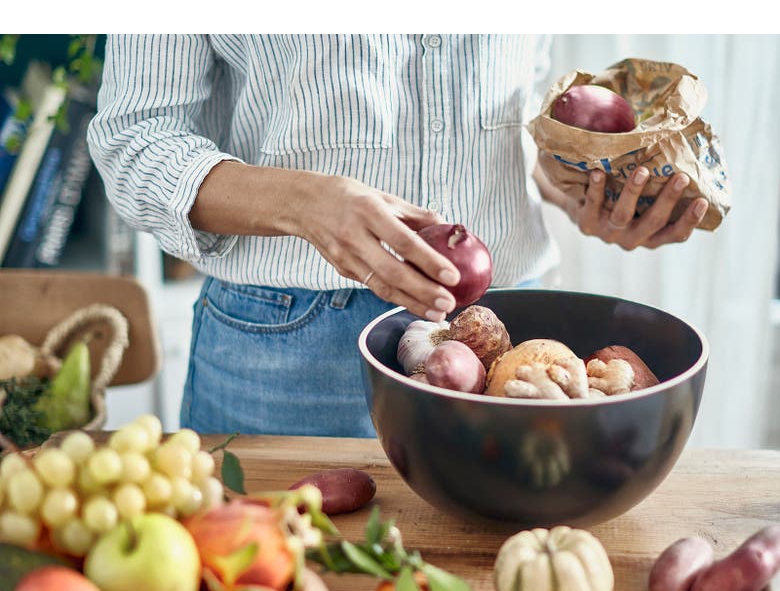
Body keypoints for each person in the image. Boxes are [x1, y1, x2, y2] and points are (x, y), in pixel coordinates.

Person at [87, 35, 708, 437]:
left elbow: (512, 120)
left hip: (511, 345)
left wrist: (584, 190)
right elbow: (135, 139)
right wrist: (306, 203)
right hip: (285, 359)